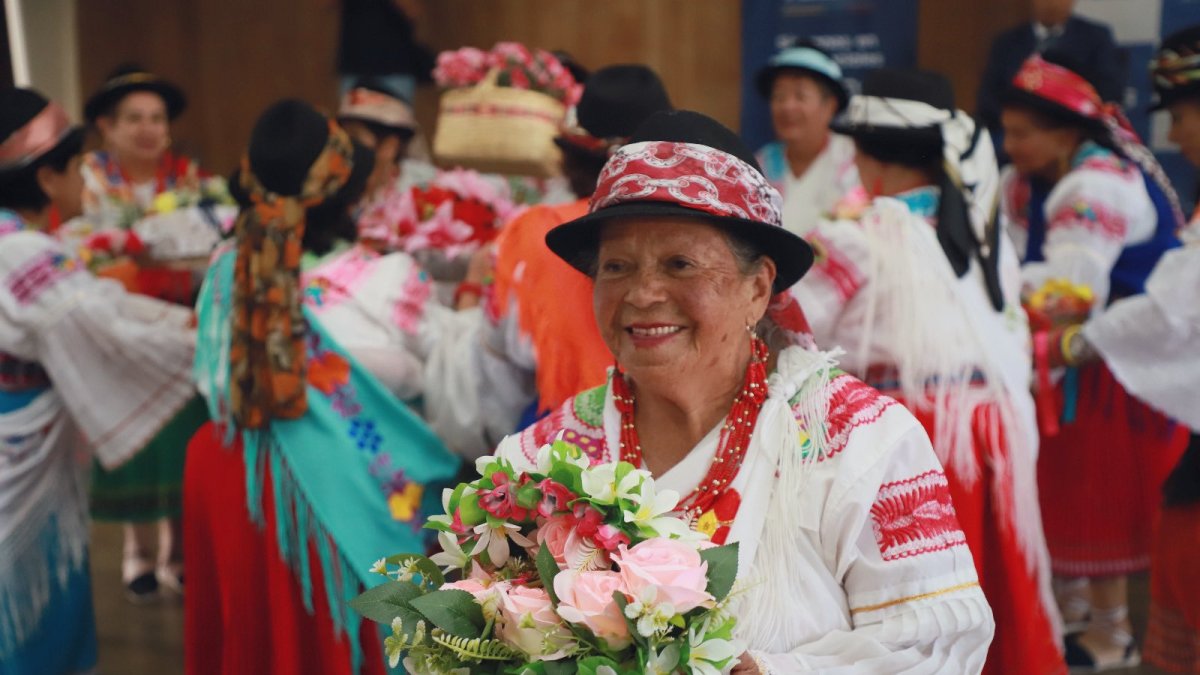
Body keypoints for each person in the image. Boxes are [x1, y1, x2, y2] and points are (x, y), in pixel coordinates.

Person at [492, 109, 995, 671]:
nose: (642, 293)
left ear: (758, 289)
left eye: (680, 264)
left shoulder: (857, 441)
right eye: (616, 267)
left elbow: (937, 645)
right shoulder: (541, 462)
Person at [788, 69, 1063, 674]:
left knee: (920, 605)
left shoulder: (853, 236)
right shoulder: (983, 237)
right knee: (989, 589)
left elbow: (790, 326)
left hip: (914, 441)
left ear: (867, 160)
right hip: (990, 434)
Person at [184, 100, 460, 675]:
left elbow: (214, 379)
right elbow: (444, 376)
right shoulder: (386, 278)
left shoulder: (224, 270)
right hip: (341, 485)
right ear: (347, 193)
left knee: (256, 637)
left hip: (233, 472)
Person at [999, 52, 1189, 670]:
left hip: (1117, 367)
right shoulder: (1031, 180)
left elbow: (1067, 291)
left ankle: (1113, 632)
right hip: (1080, 354)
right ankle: (1077, 614)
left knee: (1096, 495)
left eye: (1022, 133)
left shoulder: (1096, 185)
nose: (1011, 145)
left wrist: (1005, 299)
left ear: (1065, 134)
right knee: (1061, 487)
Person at [0, 87, 196, 675]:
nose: (85, 177)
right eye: (73, 166)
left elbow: (99, 304)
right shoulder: (30, 253)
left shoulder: (18, 243)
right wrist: (206, 335)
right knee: (28, 590)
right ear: (46, 179)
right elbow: (113, 332)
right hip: (20, 445)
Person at [1047, 28, 1200, 672]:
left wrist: (1081, 340)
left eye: (1185, 117)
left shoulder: (1099, 182)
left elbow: (1175, 306)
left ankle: (1110, 630)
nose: (1180, 135)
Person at [427, 64, 674, 456]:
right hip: (686, 439)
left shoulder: (533, 234)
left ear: (573, 158)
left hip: (567, 455)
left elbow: (498, 377)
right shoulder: (701, 232)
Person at [79, 64, 226, 601]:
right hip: (114, 327)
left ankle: (178, 551)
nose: (148, 129)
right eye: (134, 118)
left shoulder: (193, 183)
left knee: (181, 435)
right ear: (107, 127)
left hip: (179, 320)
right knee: (133, 437)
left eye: (157, 119)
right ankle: (136, 549)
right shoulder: (86, 184)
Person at [977, 0, 1123, 161]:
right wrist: (1020, 128)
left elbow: (1108, 95)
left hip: (1075, 137)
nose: (1051, 3)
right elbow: (988, 99)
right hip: (1012, 137)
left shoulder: (1096, 38)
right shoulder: (1006, 43)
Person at [753, 43, 858, 235]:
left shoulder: (854, 159)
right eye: (779, 96)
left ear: (830, 106)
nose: (787, 107)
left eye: (800, 96)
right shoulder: (759, 166)